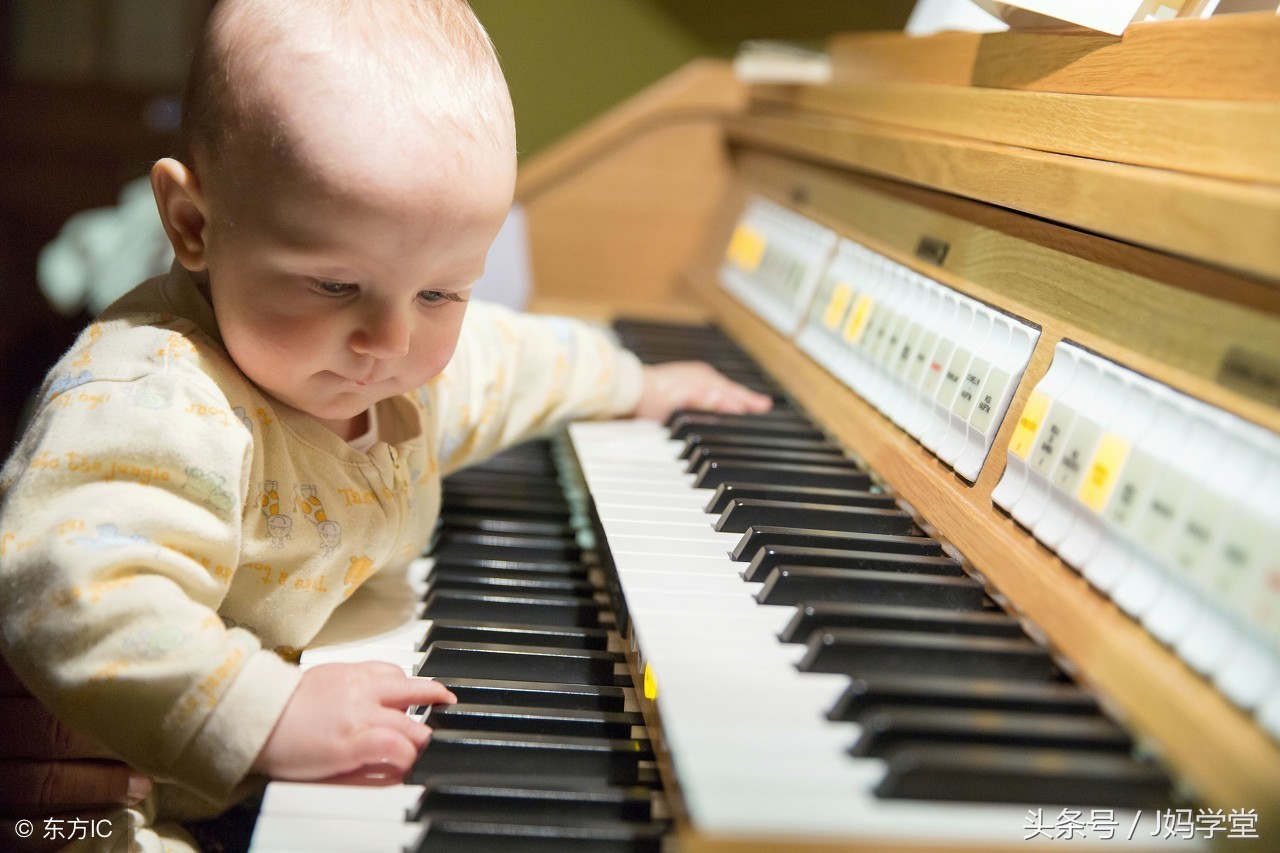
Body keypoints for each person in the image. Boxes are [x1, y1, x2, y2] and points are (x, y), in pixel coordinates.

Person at [0, 0, 770, 849]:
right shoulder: (150, 398)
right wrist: (269, 711)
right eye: (334, 286)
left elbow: (511, 362)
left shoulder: (394, 369)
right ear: (192, 225)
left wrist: (637, 382)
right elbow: (80, 591)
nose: (389, 342)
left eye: (441, 292)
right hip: (119, 786)